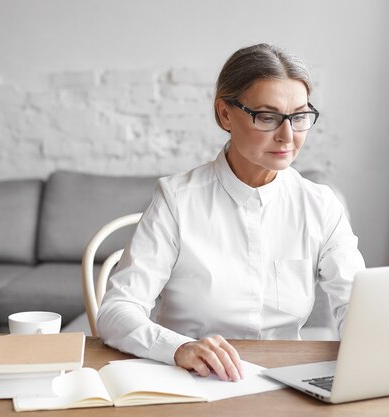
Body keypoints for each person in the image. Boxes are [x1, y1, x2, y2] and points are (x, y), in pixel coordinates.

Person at [96, 43, 366, 383]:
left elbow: (358, 308)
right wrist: (178, 348)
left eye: (299, 117)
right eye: (267, 117)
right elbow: (116, 311)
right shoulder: (176, 200)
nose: (287, 136)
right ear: (225, 114)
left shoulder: (321, 205)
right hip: (192, 380)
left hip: (285, 382)